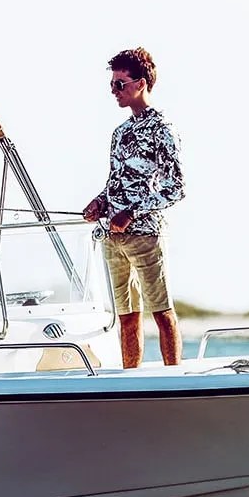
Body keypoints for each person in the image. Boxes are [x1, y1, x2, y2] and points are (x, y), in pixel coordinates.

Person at [82, 47, 186, 368]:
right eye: (112, 84)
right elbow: (115, 182)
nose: (114, 91)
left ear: (140, 84)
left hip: (146, 236)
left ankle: (174, 379)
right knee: (126, 316)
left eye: (120, 84)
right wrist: (100, 202)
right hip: (112, 238)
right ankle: (131, 378)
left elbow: (176, 188)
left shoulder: (162, 128)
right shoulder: (120, 133)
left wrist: (132, 212)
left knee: (162, 312)